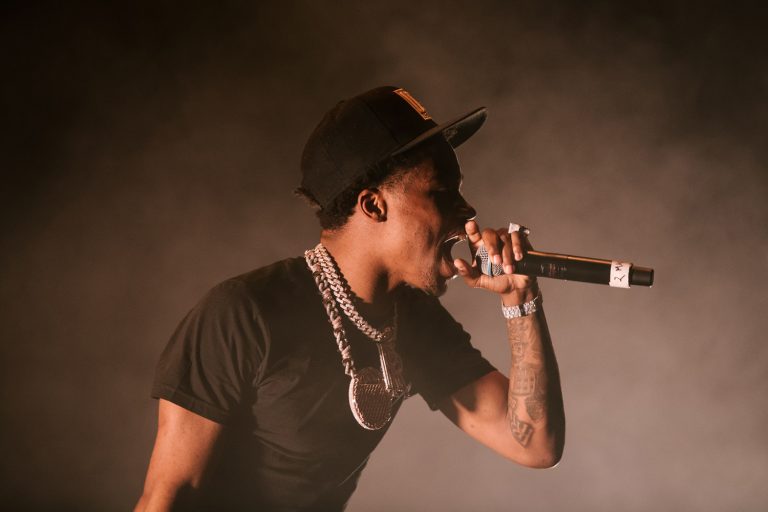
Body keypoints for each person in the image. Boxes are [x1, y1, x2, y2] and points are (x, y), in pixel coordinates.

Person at [135, 86, 565, 511]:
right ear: (374, 205)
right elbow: (168, 497)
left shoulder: (412, 318)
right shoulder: (243, 312)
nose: (468, 211)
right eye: (442, 192)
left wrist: (520, 298)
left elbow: (534, 445)